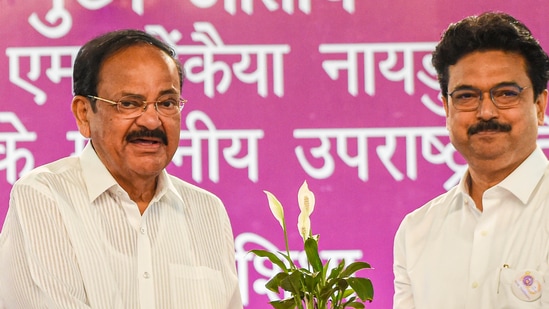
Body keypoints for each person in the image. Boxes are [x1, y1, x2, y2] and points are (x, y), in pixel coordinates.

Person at [0, 29, 243, 308]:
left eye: (166, 103)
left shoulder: (208, 211)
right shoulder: (45, 197)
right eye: (129, 104)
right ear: (84, 114)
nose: (152, 121)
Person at [393, 12, 549, 308]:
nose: (486, 112)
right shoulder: (418, 231)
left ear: (539, 106)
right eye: (466, 96)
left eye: (506, 93)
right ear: (447, 109)